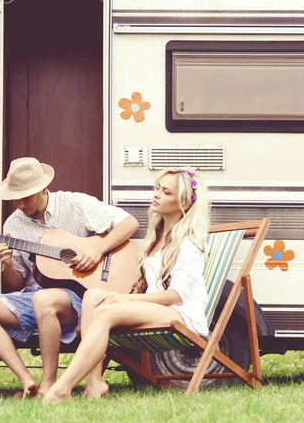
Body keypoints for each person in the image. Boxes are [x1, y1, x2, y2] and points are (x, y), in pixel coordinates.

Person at [0, 157, 139, 399]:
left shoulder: (74, 203)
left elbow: (129, 223)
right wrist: (6, 265)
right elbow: (17, 283)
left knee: (43, 299)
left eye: (26, 196)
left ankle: (49, 383)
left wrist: (96, 251)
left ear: (43, 189)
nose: (20, 204)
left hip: (83, 296)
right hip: (37, 294)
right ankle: (27, 381)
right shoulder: (14, 223)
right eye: (15, 197)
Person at [43, 167, 210, 403]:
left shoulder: (190, 242)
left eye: (166, 192)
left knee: (105, 313)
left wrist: (126, 299)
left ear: (183, 202)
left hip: (182, 315)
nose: (157, 195)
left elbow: (177, 296)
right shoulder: (159, 235)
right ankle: (94, 383)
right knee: (92, 295)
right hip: (159, 308)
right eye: (157, 188)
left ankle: (61, 389)